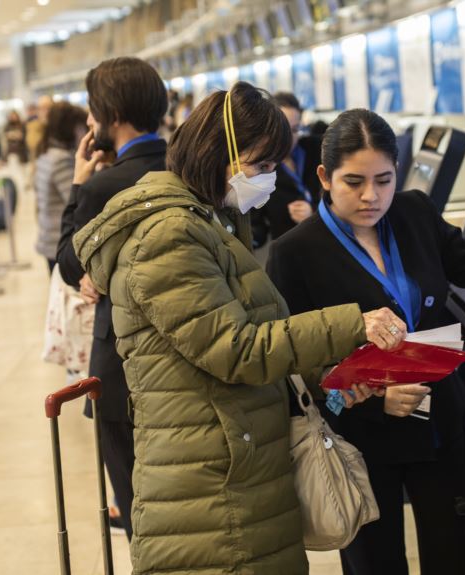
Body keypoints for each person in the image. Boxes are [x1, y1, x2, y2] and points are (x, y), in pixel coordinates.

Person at [71, 82, 405, 575]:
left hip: (236, 463)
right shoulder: (170, 236)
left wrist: (329, 381)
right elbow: (236, 348)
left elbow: (240, 338)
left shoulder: (210, 222)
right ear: (218, 153)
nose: (268, 180)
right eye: (261, 166)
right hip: (209, 485)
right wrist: (351, 323)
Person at [266, 109, 465, 575]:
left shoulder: (413, 212)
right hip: (360, 438)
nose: (371, 196)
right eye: (353, 182)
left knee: (454, 556)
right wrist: (376, 400)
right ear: (324, 176)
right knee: (376, 563)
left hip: (439, 420)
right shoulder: (294, 252)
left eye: (383, 179)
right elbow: (298, 367)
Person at [54, 56, 171, 541]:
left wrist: (80, 183)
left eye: (92, 110)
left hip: (123, 368)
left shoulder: (104, 185)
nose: (88, 120)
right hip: (183, 361)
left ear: (113, 117)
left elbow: (68, 262)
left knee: (135, 499)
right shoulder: (184, 168)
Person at [250, 92, 321, 248]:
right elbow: (257, 226)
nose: (290, 138)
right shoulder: (260, 170)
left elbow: (337, 199)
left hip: (326, 244)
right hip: (289, 252)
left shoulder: (317, 150)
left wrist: (314, 213)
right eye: (283, 129)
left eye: (295, 130)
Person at [34, 102, 86, 273]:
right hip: (59, 241)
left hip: (50, 238)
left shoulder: (46, 152)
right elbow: (76, 200)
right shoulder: (61, 160)